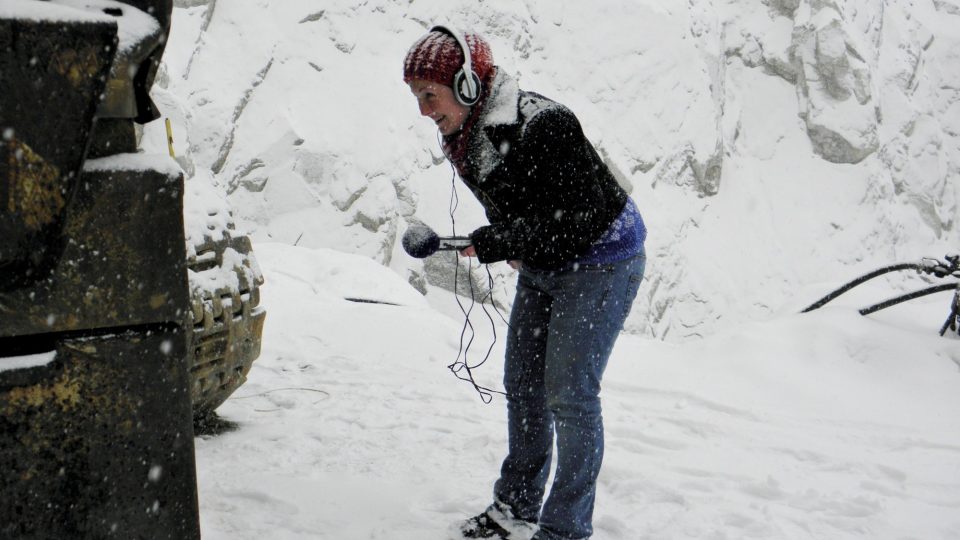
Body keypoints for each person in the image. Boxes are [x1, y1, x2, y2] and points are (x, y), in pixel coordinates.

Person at [403, 26, 647, 540]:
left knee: (570, 395)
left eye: (430, 94)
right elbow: (530, 210)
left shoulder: (544, 124)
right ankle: (515, 507)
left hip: (602, 260)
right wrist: (504, 240)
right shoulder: (465, 135)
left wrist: (506, 240)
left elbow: (581, 217)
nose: (423, 109)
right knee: (523, 388)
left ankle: (565, 529)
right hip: (546, 261)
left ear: (468, 85)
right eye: (416, 96)